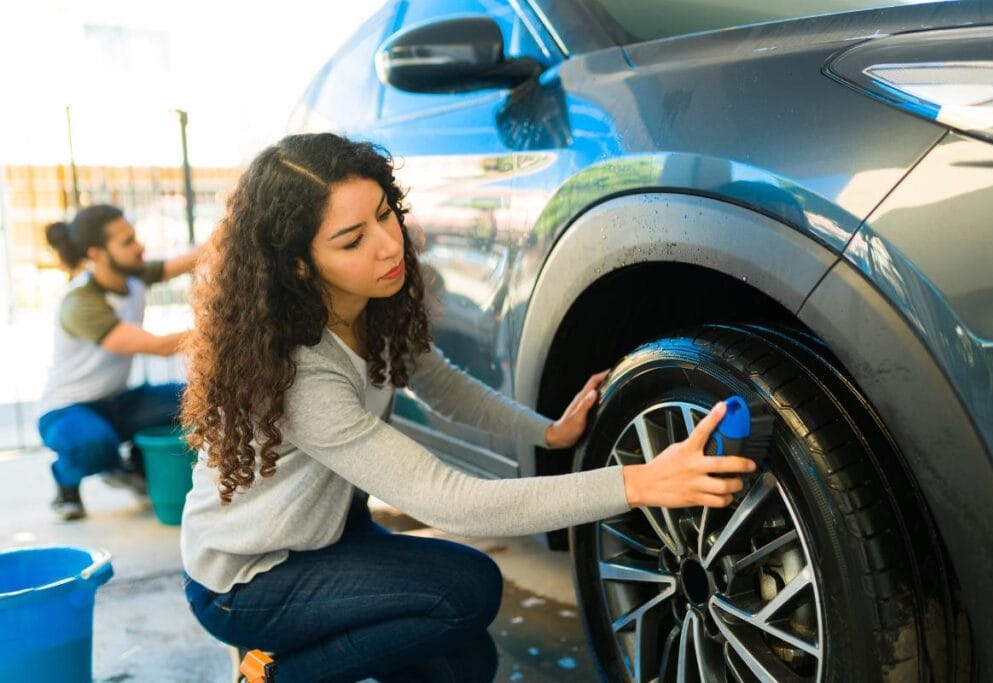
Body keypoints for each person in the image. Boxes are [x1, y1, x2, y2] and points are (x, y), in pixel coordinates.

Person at [178, 133, 756, 683]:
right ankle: (276, 673)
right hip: (246, 579)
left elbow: (443, 387)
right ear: (299, 265)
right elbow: (453, 503)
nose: (387, 245)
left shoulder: (370, 306)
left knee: (463, 664)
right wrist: (640, 482)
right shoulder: (304, 370)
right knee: (466, 589)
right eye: (351, 240)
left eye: (384, 214)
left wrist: (549, 433)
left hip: (330, 538)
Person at [39, 204, 202, 520]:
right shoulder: (80, 302)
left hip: (119, 402)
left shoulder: (133, 278)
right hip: (66, 410)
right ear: (97, 253)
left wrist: (236, 230)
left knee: (195, 399)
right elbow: (157, 346)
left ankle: (138, 465)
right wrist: (231, 330)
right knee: (94, 445)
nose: (139, 247)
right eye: (127, 242)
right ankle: (66, 483)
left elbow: (190, 260)